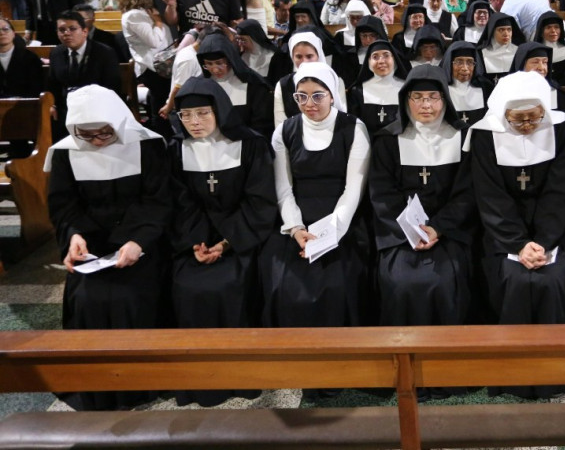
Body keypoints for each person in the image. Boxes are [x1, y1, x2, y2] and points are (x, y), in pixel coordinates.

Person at [45, 85, 171, 411]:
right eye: (87, 136)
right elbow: (63, 205)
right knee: (87, 299)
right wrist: (73, 235)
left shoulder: (148, 146)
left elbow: (158, 201)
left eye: (105, 133)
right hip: (92, 245)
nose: (98, 142)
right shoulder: (65, 153)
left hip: (141, 240)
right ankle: (94, 386)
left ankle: (138, 386)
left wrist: (137, 242)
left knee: (130, 297)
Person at [466, 71, 565, 398]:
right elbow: (490, 196)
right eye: (518, 119)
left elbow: (561, 189)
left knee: (550, 278)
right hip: (502, 230)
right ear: (503, 114)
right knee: (514, 278)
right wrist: (518, 243)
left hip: (553, 230)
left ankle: (555, 374)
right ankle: (513, 373)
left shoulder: (561, 129)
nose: (528, 125)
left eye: (535, 117)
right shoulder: (486, 136)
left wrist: (543, 241)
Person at [169, 77, 276, 407]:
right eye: (186, 116)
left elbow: (260, 199)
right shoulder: (175, 149)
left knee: (232, 284)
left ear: (219, 111)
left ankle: (241, 375)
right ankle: (198, 378)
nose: (195, 123)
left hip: (242, 238)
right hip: (195, 240)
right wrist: (198, 243)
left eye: (202, 113)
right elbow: (178, 202)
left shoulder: (251, 145)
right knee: (186, 285)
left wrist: (227, 242)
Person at [261, 62, 371, 361]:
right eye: (301, 97)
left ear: (333, 95)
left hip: (342, 221)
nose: (309, 104)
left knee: (336, 283)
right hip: (297, 221)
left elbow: (353, 189)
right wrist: (296, 229)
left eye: (317, 96)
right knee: (285, 283)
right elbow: (283, 188)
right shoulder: (285, 130)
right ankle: (299, 360)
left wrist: (328, 233)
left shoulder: (353, 127)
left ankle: (343, 359)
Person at [369, 65, 475, 336]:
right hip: (400, 233)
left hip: (449, 233)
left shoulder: (463, 138)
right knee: (399, 281)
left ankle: (446, 365)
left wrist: (438, 227)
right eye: (417, 97)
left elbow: (466, 194)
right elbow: (382, 195)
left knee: (446, 280)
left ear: (445, 100)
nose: (425, 104)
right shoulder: (387, 140)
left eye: (433, 97)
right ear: (406, 100)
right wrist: (411, 231)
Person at [47, 11, 122, 140]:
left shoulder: (104, 53)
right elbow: (53, 84)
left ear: (85, 31)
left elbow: (112, 86)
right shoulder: (56, 53)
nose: (67, 33)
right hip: (66, 110)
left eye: (72, 29)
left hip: (97, 108)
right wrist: (52, 105)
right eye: (62, 30)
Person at [120, 0, 176, 137]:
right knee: (161, 107)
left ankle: (163, 137)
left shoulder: (142, 11)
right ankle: (163, 140)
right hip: (152, 67)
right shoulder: (133, 15)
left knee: (159, 102)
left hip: (159, 65)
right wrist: (158, 22)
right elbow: (153, 41)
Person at [197, 31, 275, 140]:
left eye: (220, 63)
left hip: (247, 143)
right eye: (209, 64)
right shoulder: (200, 85)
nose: (215, 69)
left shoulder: (254, 84)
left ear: (230, 59)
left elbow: (262, 124)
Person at [347, 40, 411, 134]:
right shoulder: (357, 91)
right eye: (375, 57)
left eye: (386, 55)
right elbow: (353, 127)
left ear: (395, 59)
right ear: (368, 61)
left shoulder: (407, 89)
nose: (381, 61)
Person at [441, 41, 493, 126]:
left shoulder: (486, 87)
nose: (465, 68)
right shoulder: (441, 88)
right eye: (459, 62)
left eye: (470, 62)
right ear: (449, 64)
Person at [236, 18, 291, 86]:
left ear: (254, 39)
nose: (240, 44)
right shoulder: (240, 56)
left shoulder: (276, 57)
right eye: (238, 40)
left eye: (243, 40)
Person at [0, 16, 43, 99]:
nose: (2, 33)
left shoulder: (30, 58)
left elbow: (36, 89)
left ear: (13, 33)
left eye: (5, 29)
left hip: (25, 106)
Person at [478, 12, 526, 84]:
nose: (506, 34)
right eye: (501, 30)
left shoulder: (519, 52)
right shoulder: (481, 53)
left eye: (509, 30)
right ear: (492, 31)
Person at [535, 10, 565, 86]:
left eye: (556, 27)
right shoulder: (533, 53)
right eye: (548, 27)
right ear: (541, 32)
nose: (553, 31)